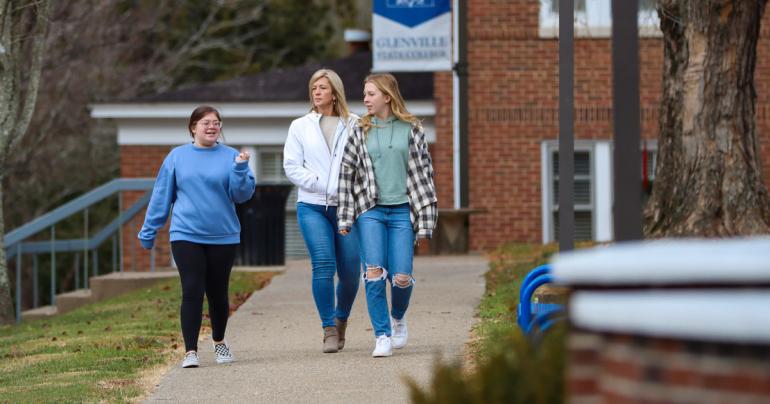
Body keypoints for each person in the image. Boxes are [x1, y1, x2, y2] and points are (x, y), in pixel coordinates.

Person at [138, 105, 256, 368]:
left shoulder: (231, 156)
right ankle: (190, 351)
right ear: (193, 127)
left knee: (218, 293)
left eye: (216, 122)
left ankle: (219, 343)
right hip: (186, 234)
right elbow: (161, 196)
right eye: (206, 123)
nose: (212, 127)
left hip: (223, 235)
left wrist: (239, 169)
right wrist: (149, 230)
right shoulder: (177, 157)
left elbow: (242, 195)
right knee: (192, 290)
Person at [337, 73, 438, 357]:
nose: (365, 99)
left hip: (402, 211)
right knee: (373, 272)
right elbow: (347, 175)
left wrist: (426, 219)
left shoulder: (412, 129)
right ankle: (381, 335)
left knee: (402, 276)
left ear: (387, 97)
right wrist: (345, 218)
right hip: (370, 210)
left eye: (370, 94)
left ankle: (397, 318)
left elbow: (425, 176)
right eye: (365, 93)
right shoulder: (360, 130)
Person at [283, 69, 361, 353]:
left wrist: (347, 189)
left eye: (323, 87)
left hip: (347, 208)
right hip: (312, 206)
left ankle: (341, 320)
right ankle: (328, 328)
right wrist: (319, 184)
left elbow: (364, 165)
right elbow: (291, 166)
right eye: (314, 87)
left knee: (352, 272)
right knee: (324, 266)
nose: (317, 92)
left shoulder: (355, 124)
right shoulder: (300, 126)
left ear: (335, 92)